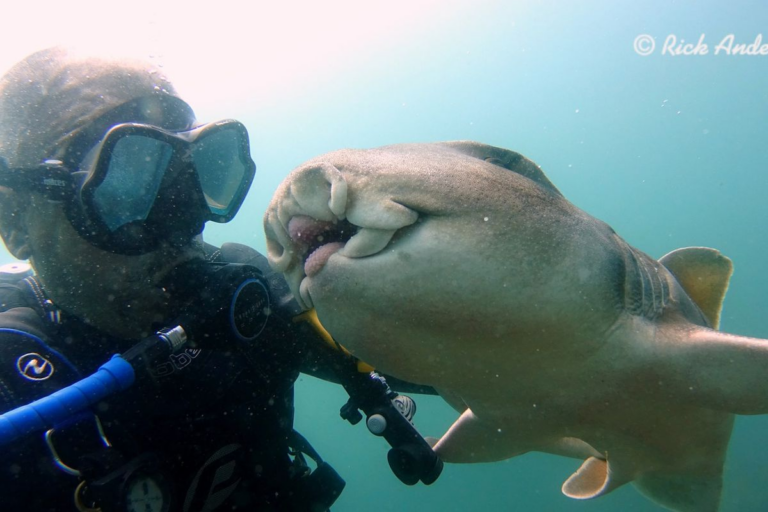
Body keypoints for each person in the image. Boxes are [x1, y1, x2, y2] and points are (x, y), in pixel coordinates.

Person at [0, 47, 438, 512]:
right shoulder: (13, 384)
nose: (184, 227)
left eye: (194, 174)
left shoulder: (247, 298)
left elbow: (444, 357)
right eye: (125, 187)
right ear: (15, 222)